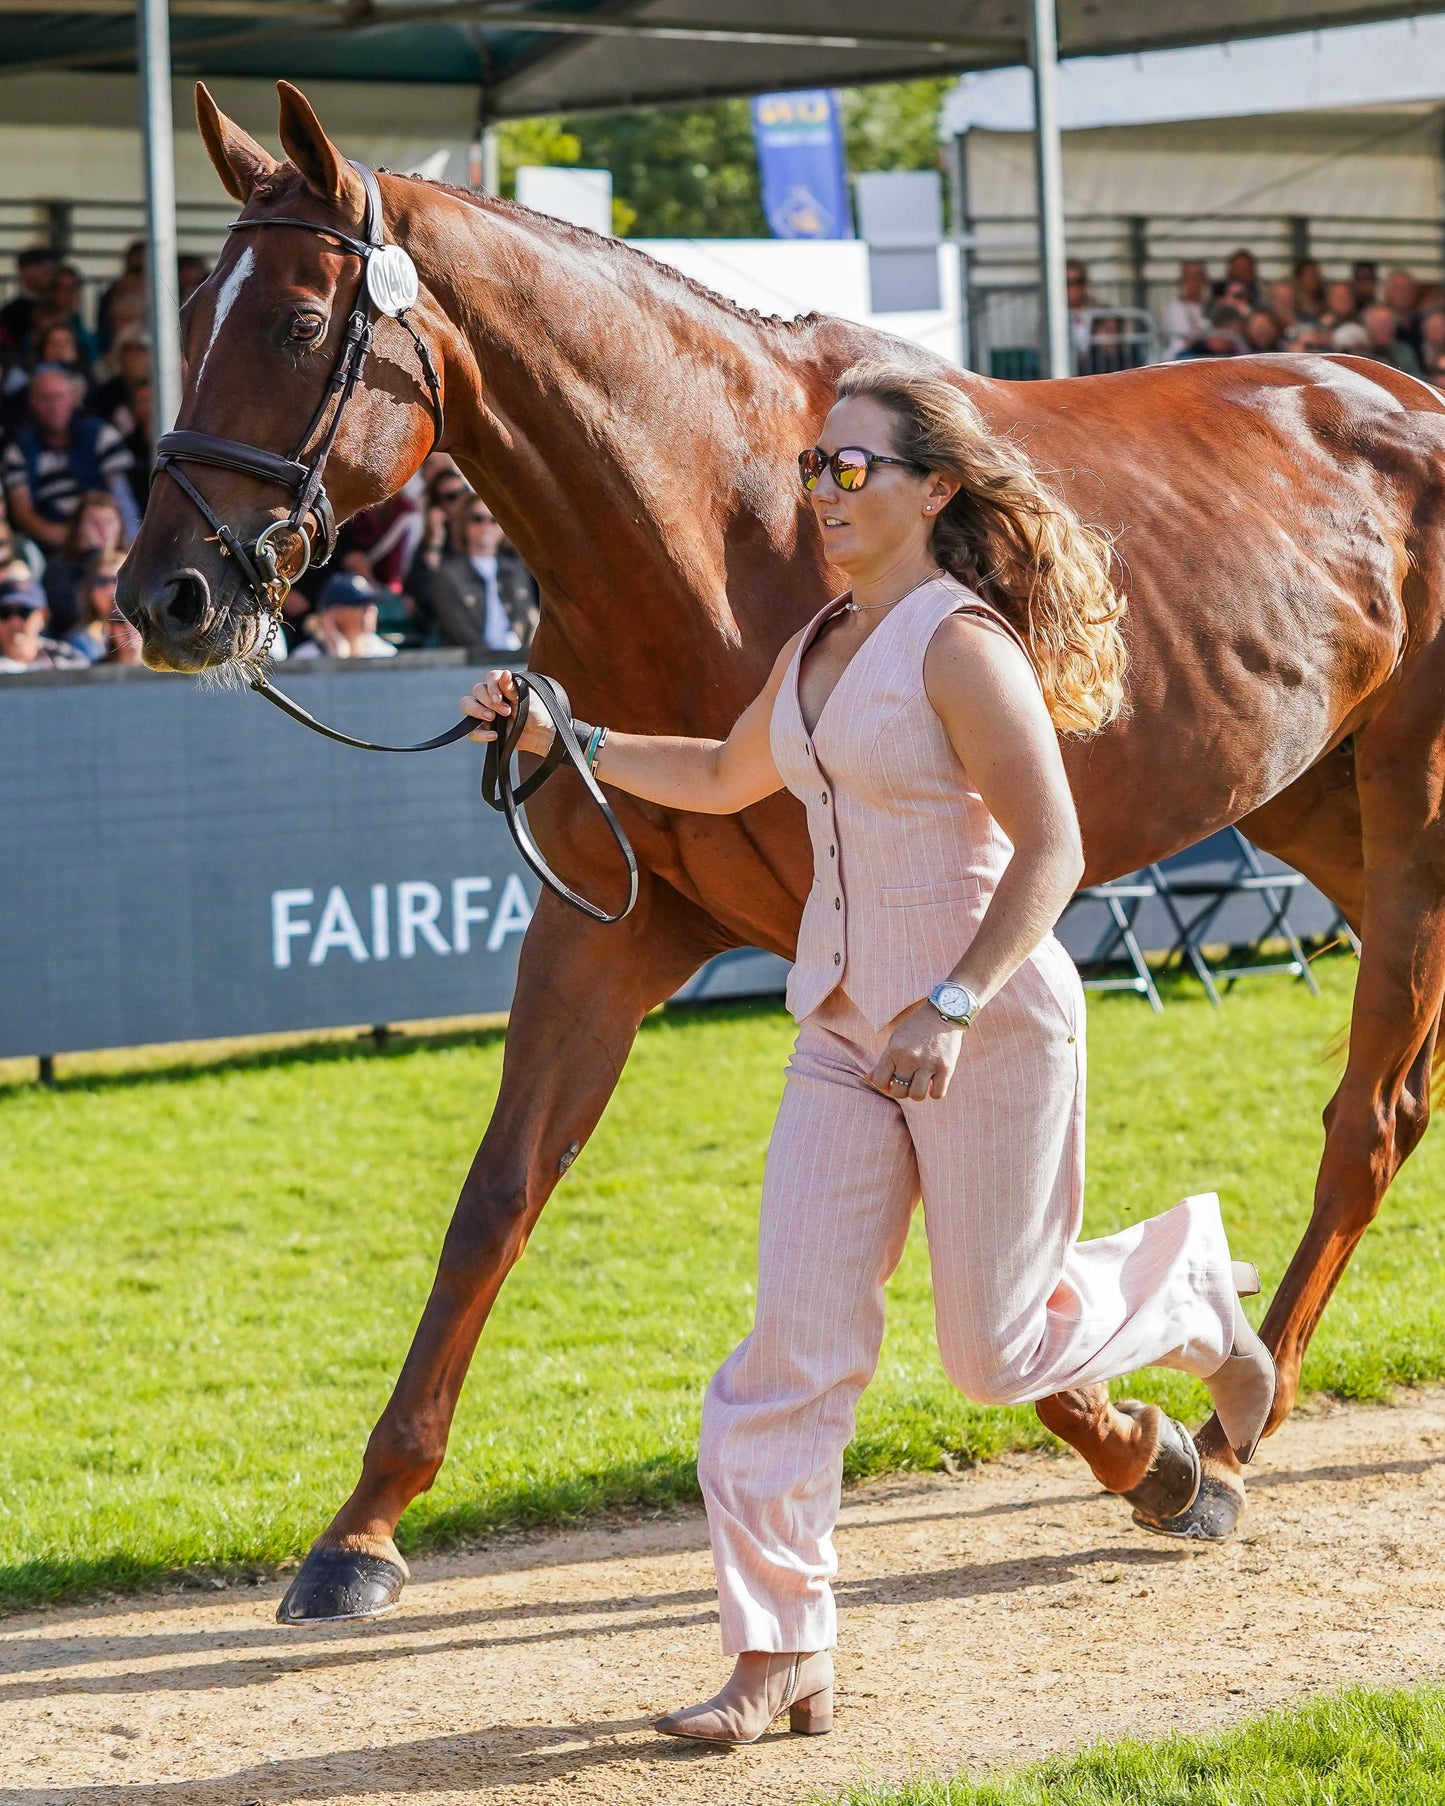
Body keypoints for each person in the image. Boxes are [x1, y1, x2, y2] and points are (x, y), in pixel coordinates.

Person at [462, 360, 1274, 1746]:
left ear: (935, 489)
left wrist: (953, 1004)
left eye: (854, 469)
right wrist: (565, 734)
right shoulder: (821, 644)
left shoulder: (963, 647)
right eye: (814, 469)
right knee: (792, 1348)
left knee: (997, 1353)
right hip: (841, 1032)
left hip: (988, 1025)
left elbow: (1054, 849)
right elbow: (724, 775)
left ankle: (1191, 1291)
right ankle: (778, 1651)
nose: (824, 492)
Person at [2, 365, 139, 554]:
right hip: (52, 547)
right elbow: (22, 512)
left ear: (73, 398)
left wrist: (128, 545)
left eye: (59, 396)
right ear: (32, 402)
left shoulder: (101, 435)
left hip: (108, 537)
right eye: (45, 398)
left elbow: (123, 496)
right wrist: (69, 538)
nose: (53, 405)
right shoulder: (19, 449)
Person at [432, 493, 538, 654]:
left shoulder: (517, 570)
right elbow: (459, 630)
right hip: (471, 665)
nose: (486, 525)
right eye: (477, 518)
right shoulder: (447, 575)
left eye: (494, 520)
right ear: (464, 524)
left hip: (518, 664)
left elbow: (530, 621)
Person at [42, 488, 126, 640]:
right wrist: (94, 558)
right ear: (78, 527)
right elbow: (67, 616)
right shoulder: (59, 568)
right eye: (94, 522)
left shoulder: (132, 564)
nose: (103, 530)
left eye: (109, 522)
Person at [291, 570, 398, 660]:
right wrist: (338, 649)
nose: (371, 610)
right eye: (361, 605)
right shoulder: (305, 657)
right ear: (335, 613)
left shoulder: (385, 653)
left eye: (371, 605)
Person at [0, 567, 85, 672]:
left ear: (43, 616)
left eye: (24, 612)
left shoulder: (67, 658)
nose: (14, 621)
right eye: (4, 612)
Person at [62, 555, 124, 664]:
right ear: (90, 590)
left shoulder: (147, 633)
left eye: (117, 580)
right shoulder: (80, 641)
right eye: (101, 581)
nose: (110, 589)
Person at [0, 247, 56, 360]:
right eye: (44, 268)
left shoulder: (57, 304)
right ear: (26, 272)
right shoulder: (12, 312)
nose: (50, 274)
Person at [1160, 260, 1208, 357]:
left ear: (1204, 280)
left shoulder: (1211, 307)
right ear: (1183, 280)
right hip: (1179, 357)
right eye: (1189, 277)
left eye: (1197, 276)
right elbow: (1184, 336)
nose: (1194, 281)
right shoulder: (1175, 308)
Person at [1360, 302, 1421, 375]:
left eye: (1388, 323)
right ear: (1367, 326)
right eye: (1379, 324)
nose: (1384, 328)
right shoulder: (1358, 352)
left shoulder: (1404, 350)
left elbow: (1415, 377)